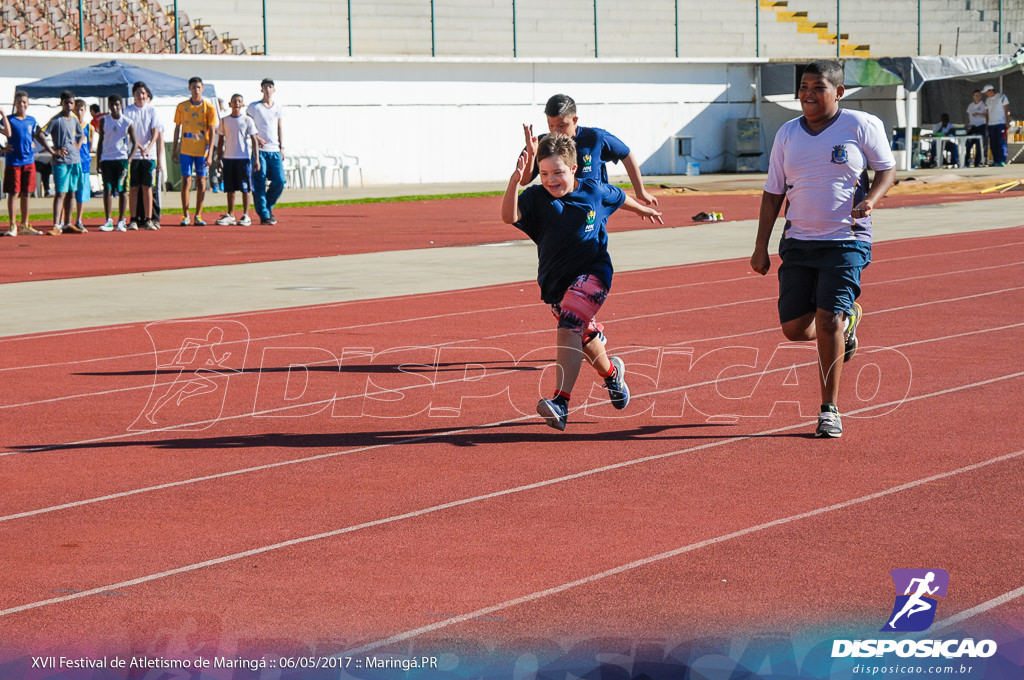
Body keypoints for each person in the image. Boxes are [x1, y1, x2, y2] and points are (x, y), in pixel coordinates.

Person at [749, 59, 896, 439]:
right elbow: (772, 194)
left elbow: (887, 169)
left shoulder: (861, 126)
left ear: (839, 92)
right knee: (795, 329)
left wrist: (872, 199)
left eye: (817, 87)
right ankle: (847, 327)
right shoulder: (786, 134)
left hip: (847, 239)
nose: (808, 94)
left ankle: (828, 409)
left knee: (828, 318)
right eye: (804, 87)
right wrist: (760, 246)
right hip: (798, 241)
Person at [501, 132, 663, 431]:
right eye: (545, 173)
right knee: (583, 338)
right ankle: (612, 374)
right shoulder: (536, 198)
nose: (551, 180)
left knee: (568, 327)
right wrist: (514, 181)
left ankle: (560, 403)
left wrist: (644, 208)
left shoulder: (593, 191)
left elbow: (618, 196)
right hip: (556, 285)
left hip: (594, 274)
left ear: (573, 170)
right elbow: (509, 216)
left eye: (558, 173)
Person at [520, 93, 658, 209]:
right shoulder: (543, 144)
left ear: (575, 120)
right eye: (551, 125)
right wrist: (532, 156)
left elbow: (626, 154)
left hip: (591, 211)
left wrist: (640, 191)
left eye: (562, 125)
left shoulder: (595, 138)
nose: (556, 131)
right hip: (559, 211)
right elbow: (524, 181)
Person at [2, 91, 55, 236]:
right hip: (14, 161)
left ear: (28, 104)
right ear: (15, 104)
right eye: (19, 102)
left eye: (24, 102)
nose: (22, 105)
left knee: (26, 193)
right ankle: (12, 225)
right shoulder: (9, 120)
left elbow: (39, 135)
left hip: (29, 161)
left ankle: (24, 224)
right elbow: (5, 131)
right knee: (14, 193)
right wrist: (2, 148)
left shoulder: (32, 120)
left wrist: (51, 150)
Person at [173, 76, 217, 226]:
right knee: (186, 180)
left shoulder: (209, 108)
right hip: (186, 148)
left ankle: (198, 214)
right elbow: (177, 128)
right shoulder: (182, 106)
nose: (196, 90)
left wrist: (210, 153)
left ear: (202, 88)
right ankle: (185, 215)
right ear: (189, 89)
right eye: (193, 87)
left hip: (201, 149)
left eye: (199, 87)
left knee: (201, 181)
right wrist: (174, 149)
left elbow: (212, 132)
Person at [42, 90, 86, 235]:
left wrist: (78, 145)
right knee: (60, 193)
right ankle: (56, 224)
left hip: (74, 160)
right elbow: (41, 134)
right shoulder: (56, 120)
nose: (69, 105)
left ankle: (68, 223)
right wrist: (53, 151)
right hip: (61, 162)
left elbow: (81, 134)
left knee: (72, 192)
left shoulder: (74, 119)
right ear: (61, 103)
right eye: (66, 102)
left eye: (71, 103)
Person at [214, 94, 261, 226]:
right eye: (234, 101)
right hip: (229, 158)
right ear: (230, 104)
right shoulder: (224, 121)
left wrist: (256, 159)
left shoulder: (247, 120)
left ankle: (246, 215)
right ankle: (231, 214)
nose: (236, 104)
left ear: (242, 104)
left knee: (245, 188)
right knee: (230, 188)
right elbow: (221, 140)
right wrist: (219, 159)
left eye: (239, 101)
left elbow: (254, 140)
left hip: (243, 158)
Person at [124, 81, 163, 230]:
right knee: (134, 187)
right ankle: (133, 218)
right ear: (133, 95)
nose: (141, 96)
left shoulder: (152, 110)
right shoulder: (128, 111)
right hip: (134, 155)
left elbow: (156, 132)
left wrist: (149, 147)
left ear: (147, 95)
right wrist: (139, 146)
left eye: (143, 93)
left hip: (149, 156)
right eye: (138, 93)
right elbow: (129, 132)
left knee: (147, 187)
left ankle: (148, 218)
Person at [97, 94, 138, 232]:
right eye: (112, 105)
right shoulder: (104, 121)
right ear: (108, 106)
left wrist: (130, 158)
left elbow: (135, 142)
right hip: (107, 159)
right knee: (107, 189)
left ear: (120, 105)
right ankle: (108, 219)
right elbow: (100, 141)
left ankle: (121, 220)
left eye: (117, 105)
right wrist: (98, 160)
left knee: (122, 190)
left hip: (121, 160)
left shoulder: (127, 122)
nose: (114, 108)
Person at [247, 77, 286, 225]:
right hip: (260, 150)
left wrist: (282, 147)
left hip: (274, 150)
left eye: (270, 87)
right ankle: (264, 214)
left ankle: (268, 207)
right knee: (259, 180)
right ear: (261, 89)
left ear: (274, 89)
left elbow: (279, 127)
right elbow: (247, 125)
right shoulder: (254, 107)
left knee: (280, 180)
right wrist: (256, 138)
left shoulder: (278, 108)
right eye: (265, 87)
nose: (268, 89)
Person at [70, 98, 93, 233]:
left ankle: (79, 219)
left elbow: (89, 146)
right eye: (77, 109)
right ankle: (64, 220)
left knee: (81, 193)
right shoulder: (70, 125)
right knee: (69, 192)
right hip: (72, 162)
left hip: (84, 162)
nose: (79, 112)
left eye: (82, 109)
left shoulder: (89, 127)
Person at [982, 84, 1011, 167]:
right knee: (993, 143)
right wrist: (987, 126)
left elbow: (1007, 110)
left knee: (1001, 142)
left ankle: (1002, 160)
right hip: (991, 125)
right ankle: (996, 161)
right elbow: (987, 114)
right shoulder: (987, 100)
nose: (986, 94)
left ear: (991, 90)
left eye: (986, 92)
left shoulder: (1002, 97)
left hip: (1001, 124)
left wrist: (1007, 122)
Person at [965, 89, 987, 167]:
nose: (977, 97)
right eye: (976, 95)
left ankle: (977, 162)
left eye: (979, 95)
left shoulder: (984, 105)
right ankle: (966, 162)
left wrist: (979, 114)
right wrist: (967, 125)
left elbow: (987, 115)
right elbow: (968, 116)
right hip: (972, 127)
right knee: (968, 145)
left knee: (979, 145)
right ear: (973, 96)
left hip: (981, 126)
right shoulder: (970, 105)